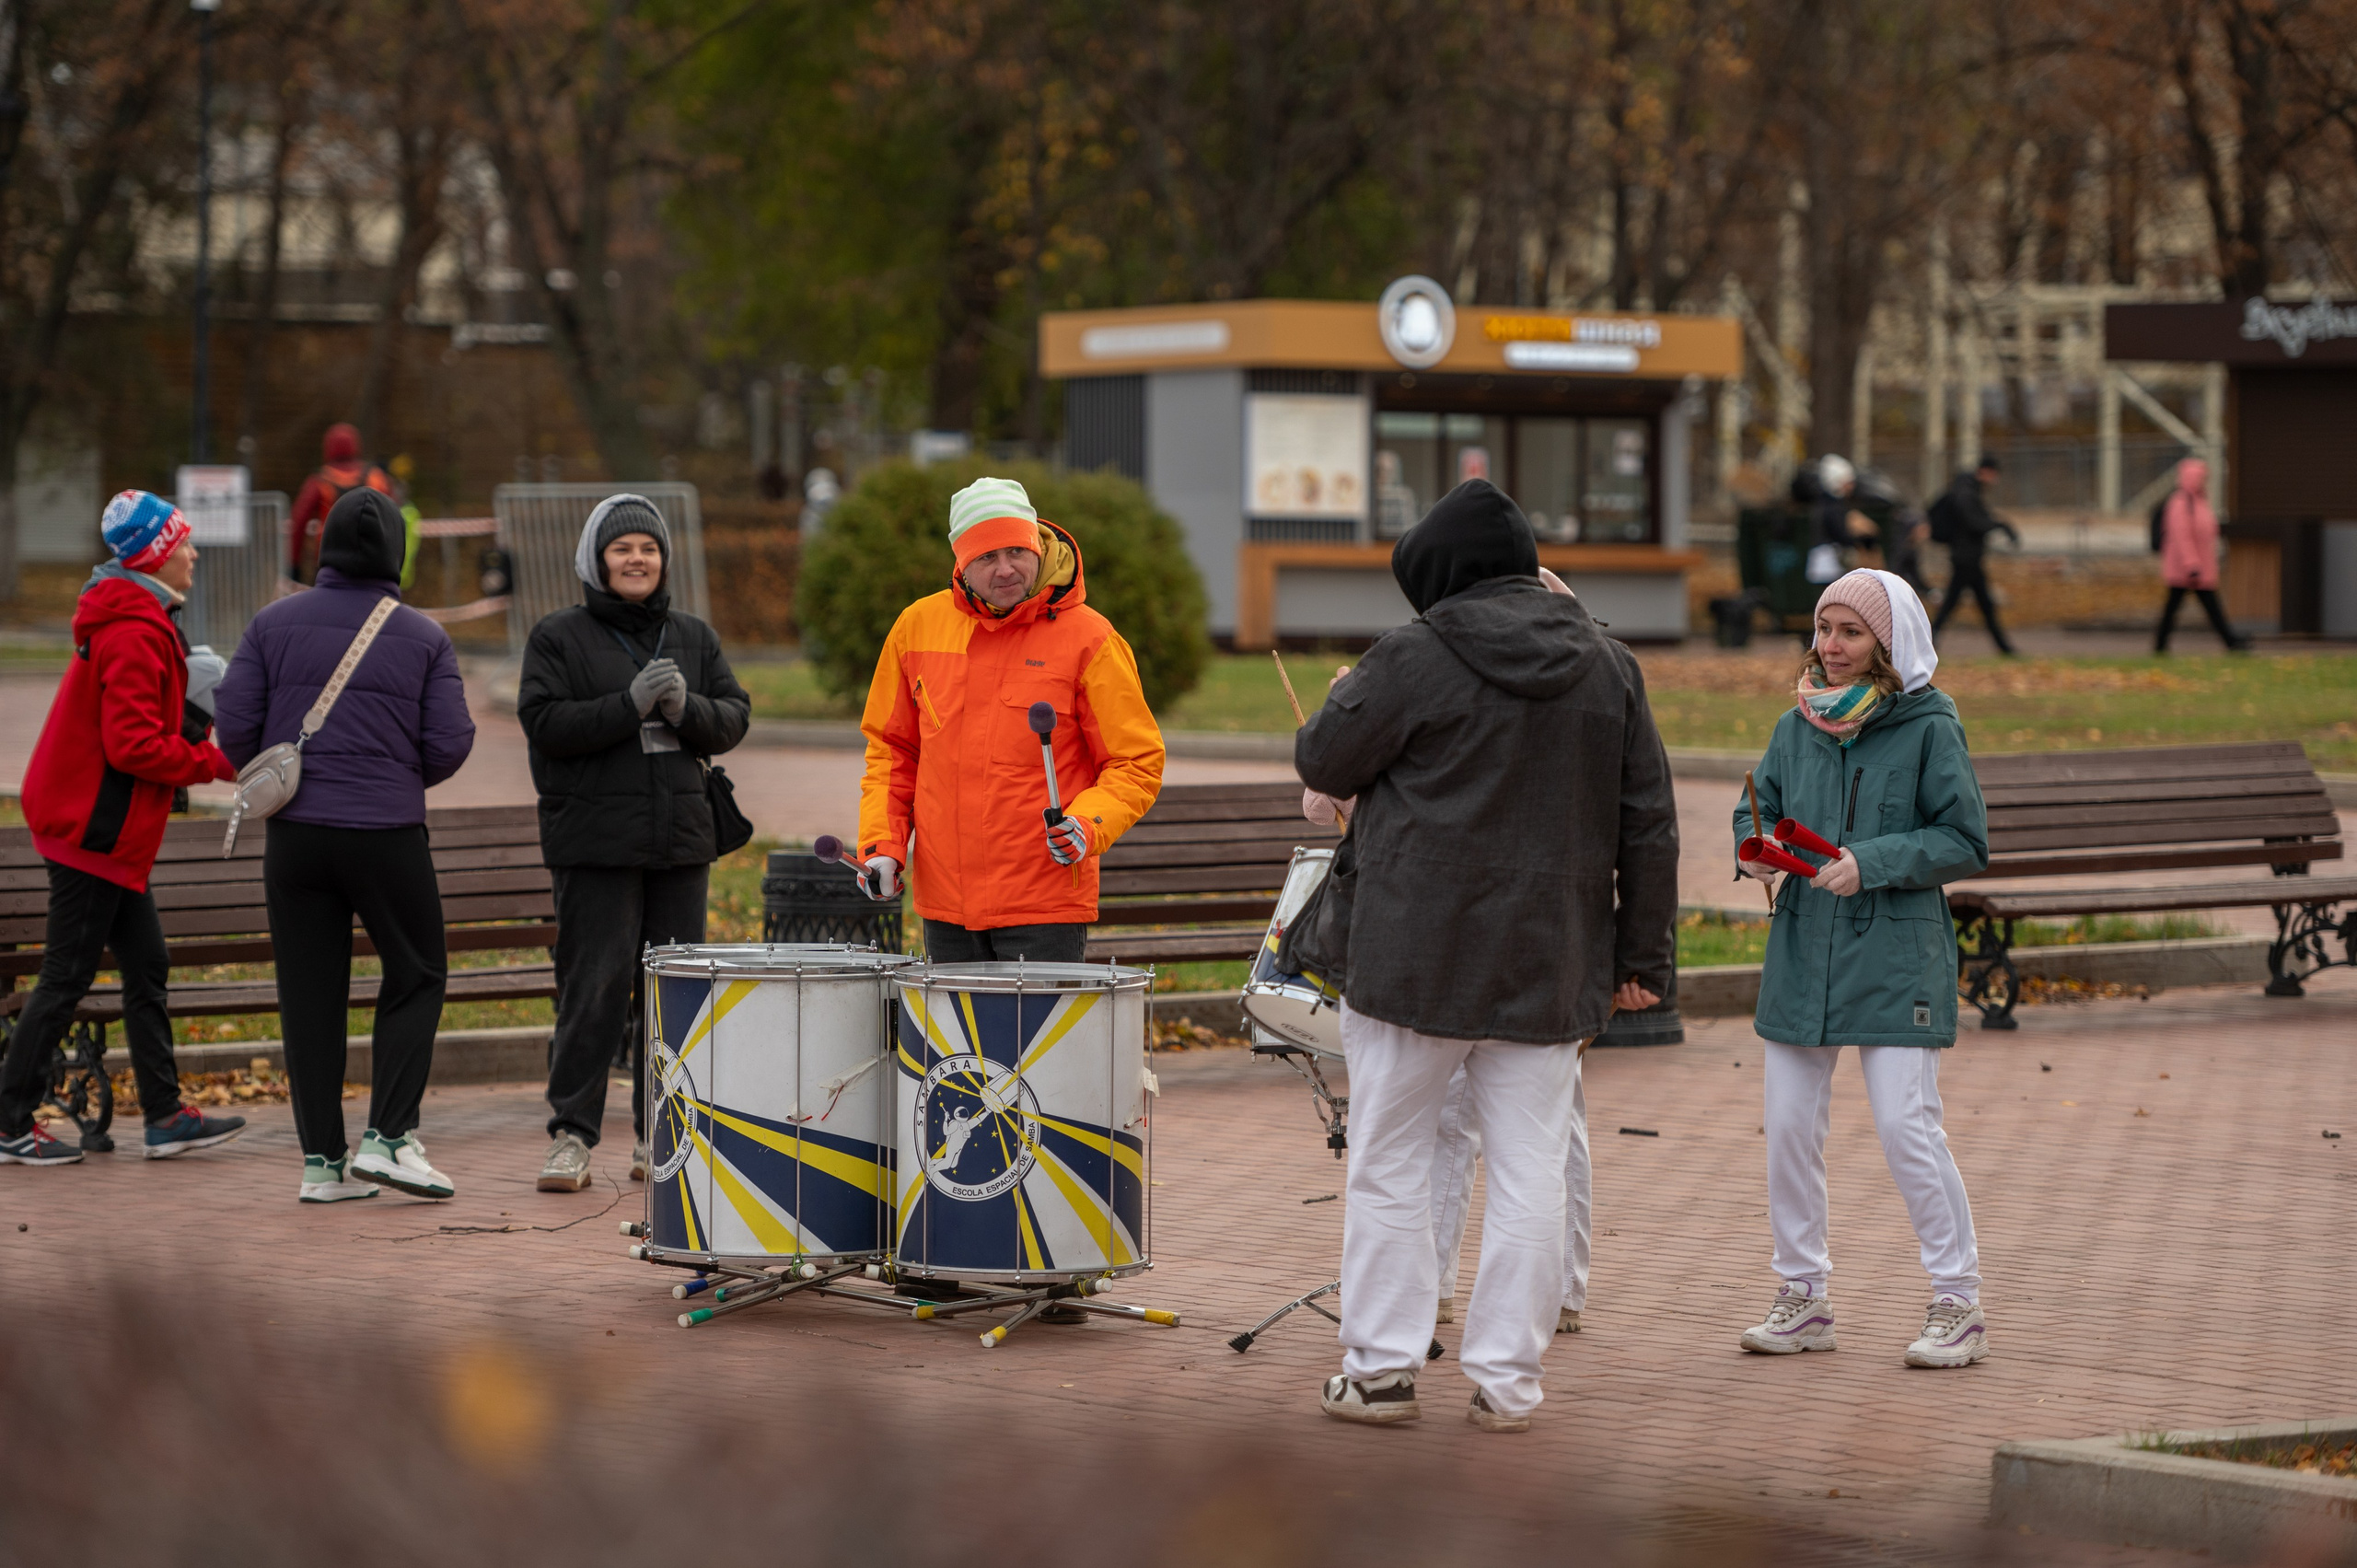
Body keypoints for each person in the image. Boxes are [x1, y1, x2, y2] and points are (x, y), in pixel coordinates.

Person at [1291, 479, 1678, 1433]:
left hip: (1409, 959)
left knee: (1388, 1162)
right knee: (1529, 1171)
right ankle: (1509, 1380)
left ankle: (1380, 1368)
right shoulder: (1608, 661)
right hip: (1550, 961)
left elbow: (1322, 761)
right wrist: (1644, 958)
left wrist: (1348, 696)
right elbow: (1651, 824)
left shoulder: (1414, 653)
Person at [1301, 566, 1597, 1341]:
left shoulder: (1511, 669)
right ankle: (1463, 1314)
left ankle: (1540, 1294)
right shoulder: (1436, 668)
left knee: (1522, 1141)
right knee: (1493, 1138)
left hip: (1476, 946)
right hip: (1501, 947)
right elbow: (1324, 784)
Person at [1732, 568, 1990, 1368]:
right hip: (1805, 950)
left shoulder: (1929, 725)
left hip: (1894, 955)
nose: (1830, 647)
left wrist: (1870, 861)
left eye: (1849, 632)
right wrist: (1756, 849)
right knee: (1788, 1133)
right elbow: (1757, 804)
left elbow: (1964, 839)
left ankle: (1959, 1300)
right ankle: (1802, 1295)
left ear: (1887, 642)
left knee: (1908, 1131)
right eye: (1823, 629)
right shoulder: (1795, 724)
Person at [215, 488, 476, 1202]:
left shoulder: (271, 623)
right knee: (418, 969)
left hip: (294, 837)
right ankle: (390, 1137)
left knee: (308, 993)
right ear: (396, 551)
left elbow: (235, 729)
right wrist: (392, 774)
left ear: (323, 545)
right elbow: (449, 743)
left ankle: (322, 1164)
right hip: (385, 834)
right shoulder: (424, 636)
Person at [1, 493, 247, 1167]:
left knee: (147, 964)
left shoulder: (141, 617)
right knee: (65, 977)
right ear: (156, 555)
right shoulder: (136, 630)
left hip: (100, 831)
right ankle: (9, 1121)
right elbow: (133, 745)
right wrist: (215, 762)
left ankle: (165, 1116)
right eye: (183, 543)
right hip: (91, 833)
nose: (194, 553)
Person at [519, 494, 749, 1192]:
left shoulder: (693, 634)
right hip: (595, 846)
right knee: (594, 988)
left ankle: (662, 1131)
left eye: (648, 548)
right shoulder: (559, 636)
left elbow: (733, 716)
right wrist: (630, 704)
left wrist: (687, 708)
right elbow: (545, 723)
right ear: (597, 559)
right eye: (622, 549)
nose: (637, 559)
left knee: (671, 992)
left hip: (680, 842)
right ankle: (571, 1134)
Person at [854, 476, 1165, 964]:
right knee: (959, 1044)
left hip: (1045, 902)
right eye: (985, 557)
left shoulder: (1091, 639)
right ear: (960, 564)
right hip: (946, 907)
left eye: (1017, 552)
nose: (1005, 570)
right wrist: (884, 846)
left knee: (1037, 1044)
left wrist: (1087, 824)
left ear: (1038, 545)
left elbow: (1136, 762)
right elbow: (892, 753)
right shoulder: (916, 628)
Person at [2153, 459, 2247, 653]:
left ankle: (2230, 642)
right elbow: (2181, 537)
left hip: (2199, 566)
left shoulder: (2200, 501)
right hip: (2187, 568)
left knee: (2196, 607)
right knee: (2183, 607)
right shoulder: (2180, 503)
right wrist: (2191, 565)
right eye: (2201, 478)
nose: (2204, 481)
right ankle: (2230, 642)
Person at [1926, 456, 2018, 655]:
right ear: (1986, 472)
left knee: (1968, 603)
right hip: (1965, 557)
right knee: (1963, 603)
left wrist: (2000, 525)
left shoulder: (1967, 490)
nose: (1996, 480)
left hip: (1967, 556)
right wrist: (2001, 526)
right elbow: (1975, 522)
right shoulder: (1966, 492)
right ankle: (2004, 648)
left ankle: (2004, 647)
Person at [287, 423, 393, 585]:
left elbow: (299, 522)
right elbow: (393, 518)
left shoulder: (320, 481)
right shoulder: (376, 478)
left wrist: (294, 565)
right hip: (373, 562)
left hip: (329, 563)